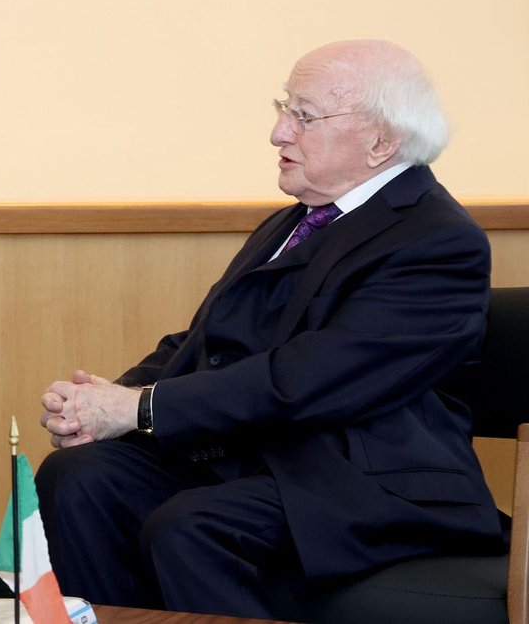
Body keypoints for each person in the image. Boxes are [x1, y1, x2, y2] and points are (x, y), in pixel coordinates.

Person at [36, 39, 504, 618]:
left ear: (381, 142)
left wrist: (141, 409)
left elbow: (317, 376)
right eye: (283, 109)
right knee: (79, 475)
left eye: (303, 116)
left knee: (193, 526)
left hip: (368, 481)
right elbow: (207, 341)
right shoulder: (297, 221)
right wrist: (106, 401)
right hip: (264, 456)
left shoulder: (436, 238)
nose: (279, 133)